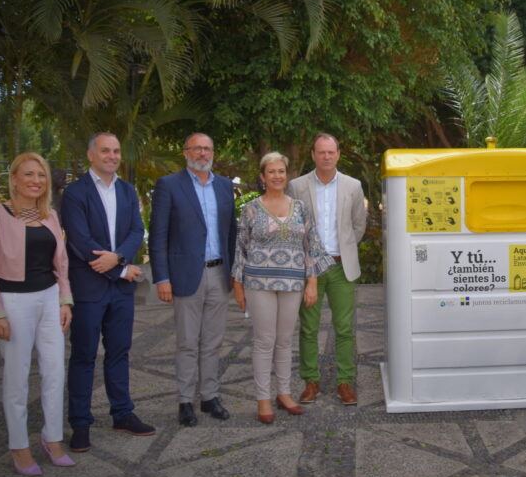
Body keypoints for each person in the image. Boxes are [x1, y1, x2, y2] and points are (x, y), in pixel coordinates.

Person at [0, 152, 75, 475]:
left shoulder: (50, 216)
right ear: (15, 179)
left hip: (49, 299)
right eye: (29, 174)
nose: (36, 180)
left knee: (55, 373)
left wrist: (64, 301)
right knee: (17, 379)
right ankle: (19, 447)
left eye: (41, 175)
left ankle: (53, 439)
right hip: (13, 302)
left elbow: (61, 263)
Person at [61, 133, 154, 452]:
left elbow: (137, 230)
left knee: (119, 352)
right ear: (91, 155)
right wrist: (120, 268)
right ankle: (80, 423)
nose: (112, 156)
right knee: (84, 355)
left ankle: (122, 413)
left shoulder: (127, 190)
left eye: (116, 151)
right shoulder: (75, 193)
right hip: (88, 288)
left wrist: (120, 259)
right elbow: (79, 239)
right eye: (105, 151)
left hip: (121, 291)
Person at [232, 152, 334, 423]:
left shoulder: (300, 208)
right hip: (259, 283)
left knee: (285, 340)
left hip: (293, 283)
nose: (277, 176)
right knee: (264, 341)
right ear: (263, 176)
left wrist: (312, 282)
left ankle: (284, 393)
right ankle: (263, 399)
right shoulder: (250, 209)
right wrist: (238, 285)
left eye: (281, 171)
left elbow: (312, 246)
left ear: (286, 175)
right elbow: (240, 249)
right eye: (271, 171)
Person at [149, 132, 237, 426]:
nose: (203, 153)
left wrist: (234, 272)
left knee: (213, 341)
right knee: (187, 342)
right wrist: (162, 277)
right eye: (197, 148)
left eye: (207, 148)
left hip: (219, 273)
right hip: (186, 274)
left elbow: (231, 233)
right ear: (185, 152)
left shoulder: (224, 186)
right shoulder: (169, 185)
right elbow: (158, 235)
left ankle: (210, 396)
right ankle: (185, 400)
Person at [287, 133, 367, 405]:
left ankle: (345, 382)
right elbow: (292, 226)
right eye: (321, 152)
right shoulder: (297, 186)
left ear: (338, 154)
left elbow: (358, 225)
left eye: (331, 152)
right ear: (313, 154)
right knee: (308, 328)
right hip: (310, 268)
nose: (326, 157)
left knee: (344, 328)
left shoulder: (353, 186)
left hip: (341, 266)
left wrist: (344, 249)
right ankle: (311, 381)